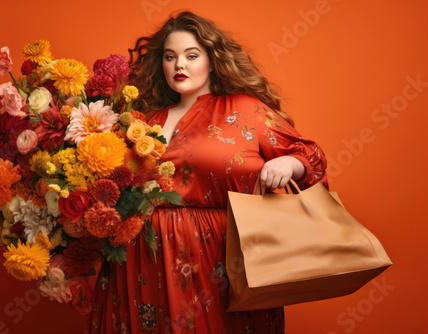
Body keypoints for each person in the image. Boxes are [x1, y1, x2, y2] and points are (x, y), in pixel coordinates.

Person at [89, 11, 327, 333]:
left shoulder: (245, 109)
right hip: (139, 257)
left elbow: (310, 155)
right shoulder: (143, 119)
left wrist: (287, 163)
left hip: (219, 257)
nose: (179, 65)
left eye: (191, 55)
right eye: (170, 57)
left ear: (212, 61)